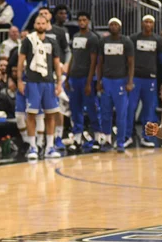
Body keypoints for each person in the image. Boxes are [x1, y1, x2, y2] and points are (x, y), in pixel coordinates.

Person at [17, 15, 62, 160]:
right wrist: (19, 81)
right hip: (32, 82)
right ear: (34, 24)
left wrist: (59, 82)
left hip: (49, 82)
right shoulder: (28, 41)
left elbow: (56, 64)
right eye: (38, 23)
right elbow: (20, 62)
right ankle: (33, 146)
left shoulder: (52, 41)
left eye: (43, 23)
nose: (40, 25)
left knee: (50, 115)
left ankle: (49, 146)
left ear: (47, 25)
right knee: (31, 115)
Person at [64, 12, 101, 152]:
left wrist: (89, 82)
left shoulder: (93, 38)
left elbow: (93, 62)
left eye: (84, 20)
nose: (81, 22)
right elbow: (73, 57)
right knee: (75, 109)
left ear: (89, 21)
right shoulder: (76, 36)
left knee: (92, 108)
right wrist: (67, 78)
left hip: (86, 78)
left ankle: (97, 137)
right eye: (79, 20)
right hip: (74, 77)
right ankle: (77, 139)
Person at [96, 18, 134, 152]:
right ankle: (107, 140)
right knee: (105, 113)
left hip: (120, 81)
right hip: (107, 80)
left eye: (116, 24)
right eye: (111, 24)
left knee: (121, 114)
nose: (113, 26)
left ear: (120, 26)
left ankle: (120, 142)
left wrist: (130, 81)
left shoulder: (126, 41)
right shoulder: (103, 41)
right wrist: (99, 81)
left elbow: (130, 63)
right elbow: (100, 63)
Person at [127, 15, 162, 148]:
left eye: (150, 22)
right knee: (131, 108)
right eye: (146, 22)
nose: (148, 24)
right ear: (142, 23)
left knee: (148, 110)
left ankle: (146, 137)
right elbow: (129, 59)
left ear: (153, 25)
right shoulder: (134, 38)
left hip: (151, 79)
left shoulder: (158, 40)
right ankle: (128, 136)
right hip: (136, 78)